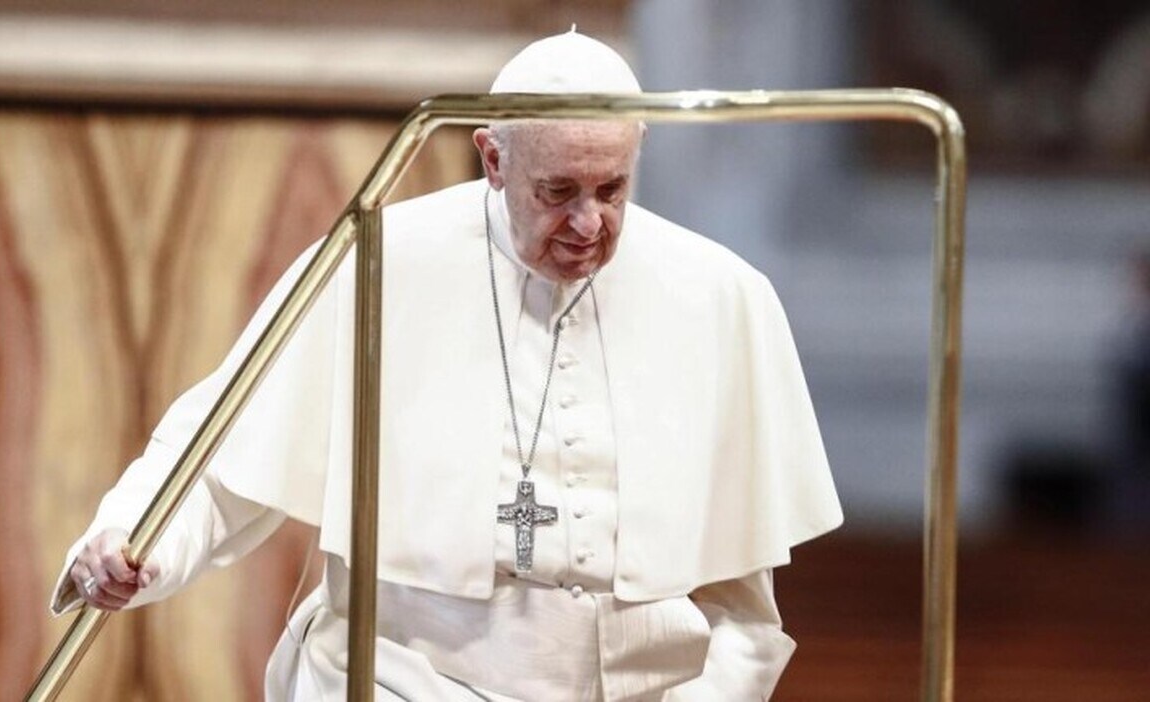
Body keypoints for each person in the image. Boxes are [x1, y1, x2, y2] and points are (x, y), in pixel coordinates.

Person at [53, 30, 842, 700]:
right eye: (558, 189)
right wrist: (133, 540)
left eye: (612, 188)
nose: (588, 222)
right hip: (409, 679)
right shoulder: (377, 263)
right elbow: (223, 452)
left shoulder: (720, 295)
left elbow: (746, 610)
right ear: (492, 159)